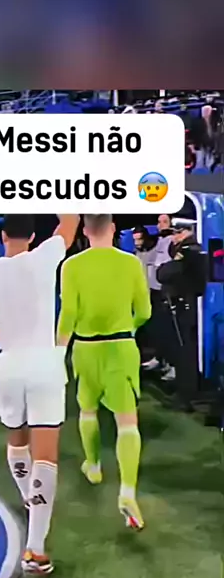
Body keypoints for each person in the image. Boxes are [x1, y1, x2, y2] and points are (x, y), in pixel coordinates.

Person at [0, 214, 80, 575]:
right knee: (45, 455)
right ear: (32, 236)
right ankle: (35, 549)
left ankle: (28, 497)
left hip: (9, 363)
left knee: (17, 439)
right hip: (44, 364)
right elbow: (71, 220)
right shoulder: (45, 256)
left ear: (3, 236)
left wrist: (6, 335)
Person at [57, 214, 151, 530]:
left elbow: (68, 313)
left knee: (87, 410)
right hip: (121, 347)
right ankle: (127, 492)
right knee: (127, 423)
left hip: (85, 348)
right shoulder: (131, 263)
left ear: (85, 231)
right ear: (112, 229)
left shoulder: (72, 265)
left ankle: (94, 466)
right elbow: (145, 311)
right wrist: (128, 330)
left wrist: (58, 352)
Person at [156, 219, 208, 411]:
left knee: (185, 352)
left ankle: (186, 396)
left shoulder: (189, 251)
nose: (173, 237)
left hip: (185, 305)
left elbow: (164, 273)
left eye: (177, 232)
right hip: (184, 304)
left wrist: (166, 267)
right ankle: (185, 391)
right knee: (183, 350)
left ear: (187, 231)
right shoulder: (188, 250)